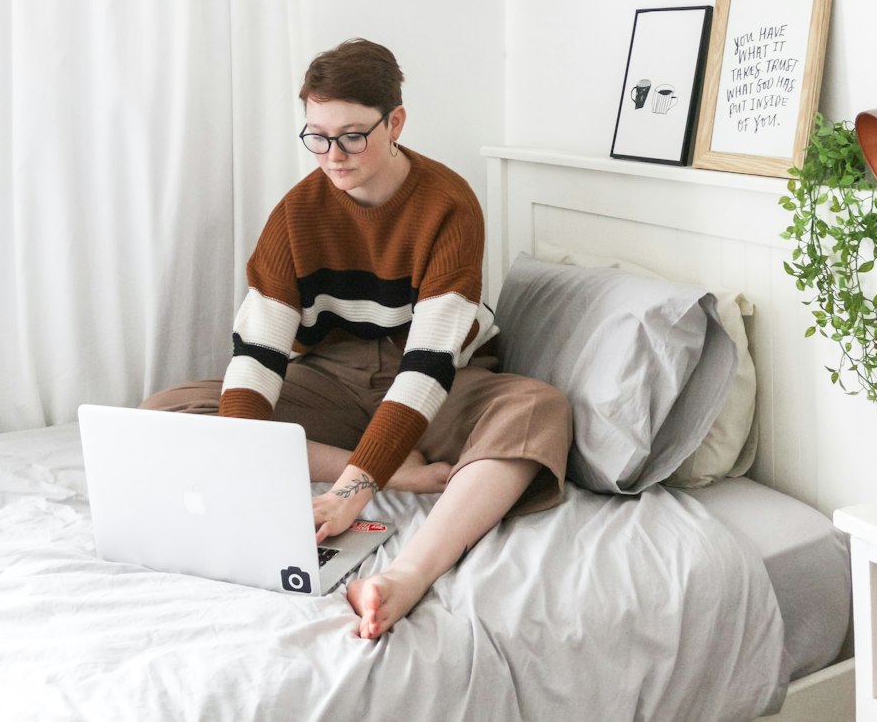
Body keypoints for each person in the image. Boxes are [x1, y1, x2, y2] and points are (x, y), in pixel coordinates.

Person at [142, 37, 572, 638]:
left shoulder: (449, 205)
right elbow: (258, 355)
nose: (332, 155)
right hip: (335, 377)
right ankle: (397, 469)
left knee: (537, 411)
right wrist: (240, 465)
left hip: (438, 380)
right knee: (168, 411)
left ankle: (407, 576)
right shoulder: (296, 213)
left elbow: (427, 367)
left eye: (351, 135)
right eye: (316, 135)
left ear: (395, 122)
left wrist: (351, 493)